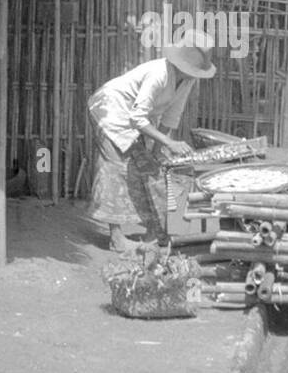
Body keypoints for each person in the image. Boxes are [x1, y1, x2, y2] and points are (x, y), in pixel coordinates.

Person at [88, 37, 217, 252]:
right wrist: (169, 143)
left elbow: (171, 116)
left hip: (133, 116)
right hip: (110, 108)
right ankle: (116, 238)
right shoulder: (159, 74)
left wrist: (157, 151)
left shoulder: (188, 79)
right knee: (116, 167)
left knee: (150, 166)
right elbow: (137, 118)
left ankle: (155, 231)